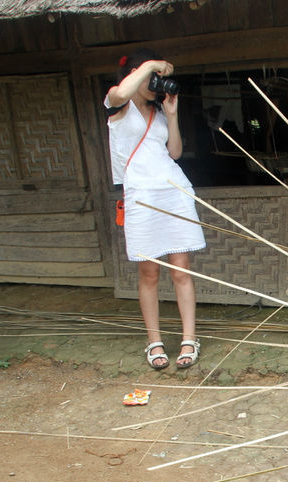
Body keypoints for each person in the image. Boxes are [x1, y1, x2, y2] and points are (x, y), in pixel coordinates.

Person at [104, 49, 206, 370]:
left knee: (181, 270)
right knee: (149, 273)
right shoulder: (117, 105)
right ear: (138, 72)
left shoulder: (159, 114)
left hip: (173, 193)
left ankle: (189, 338)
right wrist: (150, 65)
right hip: (142, 198)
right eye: (152, 78)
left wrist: (172, 115)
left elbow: (174, 152)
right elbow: (121, 91)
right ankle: (155, 341)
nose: (157, 84)